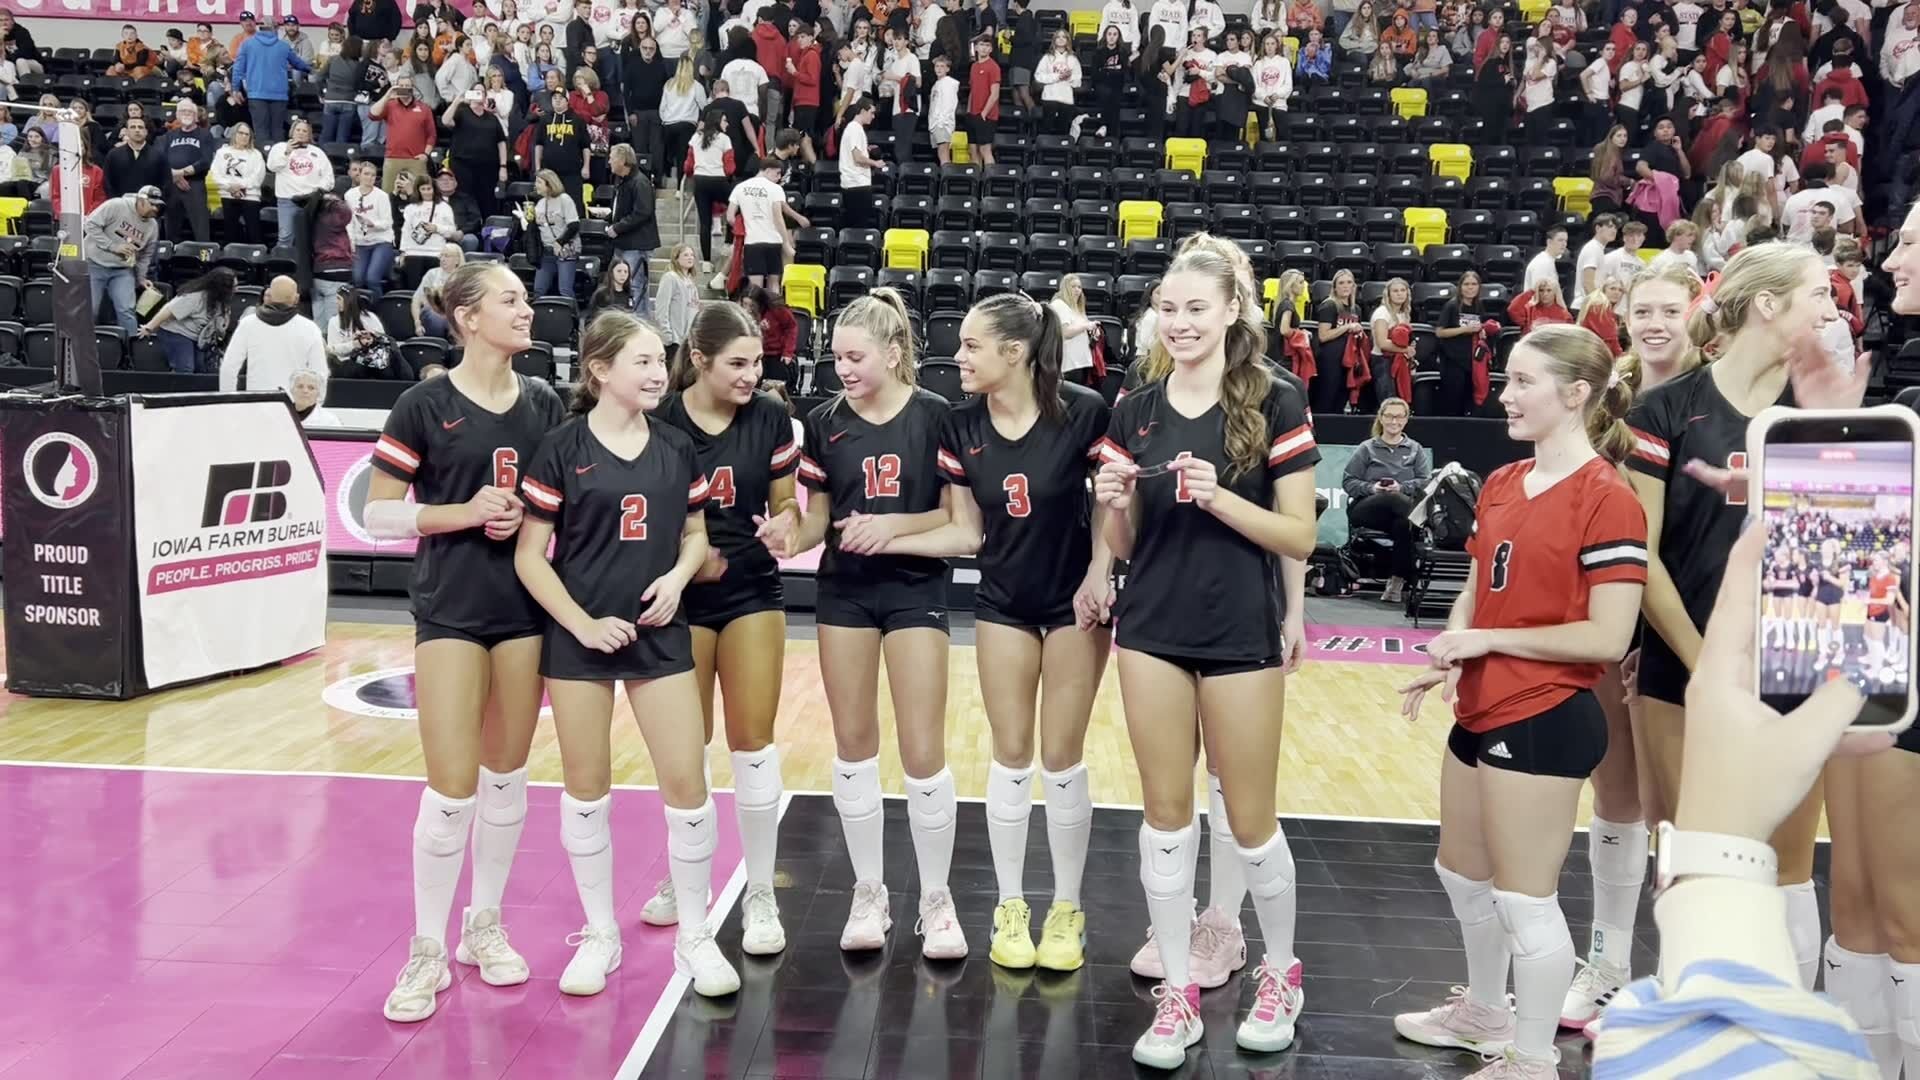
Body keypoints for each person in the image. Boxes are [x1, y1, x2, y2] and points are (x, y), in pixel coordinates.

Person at [1392, 325, 1647, 1080]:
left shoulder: (1608, 498)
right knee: (1461, 873)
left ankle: (1532, 1060)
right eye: (1508, 380)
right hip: (1481, 703)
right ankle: (1485, 1011)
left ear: (1576, 394)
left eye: (1524, 382)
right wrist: (1454, 646)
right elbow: (1477, 589)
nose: (1506, 395)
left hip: (1545, 714)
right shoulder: (1503, 481)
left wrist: (1488, 643)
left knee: (1525, 902)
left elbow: (1608, 636)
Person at [1092, 235, 1319, 1067]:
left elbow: (1299, 535)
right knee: (1164, 820)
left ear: (1231, 311)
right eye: (1168, 307)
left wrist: (1221, 498)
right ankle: (1179, 993)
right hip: (1150, 627)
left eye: (1196, 307)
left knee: (1251, 823)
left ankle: (1280, 972)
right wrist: (1113, 503)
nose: (1179, 321)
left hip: (1239, 631)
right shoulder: (1135, 407)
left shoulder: (1278, 399)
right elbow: (1124, 542)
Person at [1625, 243, 1856, 1000]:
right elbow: (1641, 555)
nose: (1833, 310)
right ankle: (1692, 1023)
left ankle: (1777, 1027)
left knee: (1785, 872)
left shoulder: (1821, 413)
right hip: (1679, 666)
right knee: (1689, 864)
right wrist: (1706, 665)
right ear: (1767, 304)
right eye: (1820, 295)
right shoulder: (1664, 409)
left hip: (1789, 668)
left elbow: (1846, 556)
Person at [510, 311, 738, 999]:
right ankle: (600, 933)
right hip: (579, 637)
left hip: (659, 632)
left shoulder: (676, 446)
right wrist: (581, 625)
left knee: (688, 785)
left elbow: (696, 535)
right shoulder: (561, 447)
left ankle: (695, 935)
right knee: (586, 788)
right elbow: (529, 556)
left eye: (659, 361)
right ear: (599, 370)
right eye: (641, 361)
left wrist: (677, 578)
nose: (656, 373)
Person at [366, 262, 565, 1023]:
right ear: (468, 318)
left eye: (526, 298)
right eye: (510, 300)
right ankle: (427, 947)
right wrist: (465, 512)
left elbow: (560, 503)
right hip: (449, 609)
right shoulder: (424, 403)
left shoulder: (543, 401)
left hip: (524, 611)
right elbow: (376, 514)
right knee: (451, 789)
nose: (527, 309)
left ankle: (484, 926)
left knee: (506, 780)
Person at [768, 288, 971, 958]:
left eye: (856, 357)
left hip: (916, 587)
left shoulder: (937, 415)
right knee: (853, 744)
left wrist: (892, 528)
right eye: (837, 357)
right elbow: (820, 521)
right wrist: (788, 538)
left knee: (922, 749)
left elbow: (956, 520)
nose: (843, 368)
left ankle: (936, 898)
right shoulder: (824, 421)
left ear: (893, 351)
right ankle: (869, 890)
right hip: (846, 593)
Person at [930, 292, 1113, 973]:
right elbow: (964, 530)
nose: (958, 356)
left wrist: (1100, 573)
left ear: (1014, 352)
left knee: (1062, 759)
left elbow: (1110, 505)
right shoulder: (959, 424)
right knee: (1010, 756)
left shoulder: (1084, 411)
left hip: (1073, 604)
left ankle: (1067, 907)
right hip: (1003, 601)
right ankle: (1010, 905)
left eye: (971, 346)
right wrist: (881, 533)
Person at [636, 301, 802, 957]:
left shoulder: (770, 417)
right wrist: (682, 562)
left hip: (752, 589)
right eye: (738, 363)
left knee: (752, 743)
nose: (752, 375)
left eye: (757, 362)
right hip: (680, 596)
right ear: (699, 360)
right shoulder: (660, 421)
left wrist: (786, 523)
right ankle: (687, 877)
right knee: (688, 748)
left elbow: (785, 501)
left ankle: (761, 892)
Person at [1342, 397, 1430, 604]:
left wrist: (1402, 487)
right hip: (1367, 507)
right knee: (1400, 505)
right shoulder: (1367, 448)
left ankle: (1396, 582)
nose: (1394, 421)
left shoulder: (1415, 449)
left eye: (1399, 417)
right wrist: (1373, 488)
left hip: (1400, 511)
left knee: (1403, 524)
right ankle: (1421, 523)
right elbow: (1349, 482)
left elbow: (1425, 482)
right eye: (1389, 416)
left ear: (1406, 419)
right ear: (1381, 418)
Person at [218, 275, 329, 394]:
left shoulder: (248, 324)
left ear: (269, 295)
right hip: (294, 402)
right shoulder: (310, 328)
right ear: (296, 298)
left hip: (257, 400)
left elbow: (228, 368)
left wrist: (228, 400)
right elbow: (320, 373)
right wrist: (316, 403)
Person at [83, 187, 162, 337]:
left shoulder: (152, 226)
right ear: (141, 201)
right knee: (90, 309)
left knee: (127, 310)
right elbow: (90, 224)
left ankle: (130, 346)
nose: (154, 208)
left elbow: (146, 255)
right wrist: (112, 246)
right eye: (151, 204)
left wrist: (141, 278)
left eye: (157, 205)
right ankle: (85, 345)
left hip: (123, 270)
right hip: (94, 264)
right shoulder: (116, 205)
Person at [137, 267, 237, 375]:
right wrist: (149, 327)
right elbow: (168, 310)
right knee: (185, 369)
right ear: (222, 288)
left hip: (198, 337)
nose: (236, 289)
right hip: (176, 332)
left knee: (201, 369)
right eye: (233, 287)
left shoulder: (222, 300)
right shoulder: (195, 297)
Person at [606, 143, 660, 316]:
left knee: (636, 285)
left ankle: (639, 322)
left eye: (612, 158)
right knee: (621, 283)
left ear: (622, 160)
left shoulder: (640, 182)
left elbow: (643, 212)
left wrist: (617, 227)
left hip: (637, 244)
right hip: (624, 242)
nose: (609, 161)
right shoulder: (623, 181)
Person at [266, 117, 334, 249]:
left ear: (309, 135)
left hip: (311, 200)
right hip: (287, 199)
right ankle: (283, 262)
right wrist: (287, 152)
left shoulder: (318, 152)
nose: (301, 133)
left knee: (310, 237)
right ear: (292, 131)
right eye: (298, 130)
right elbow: (272, 167)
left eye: (304, 131)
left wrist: (318, 191)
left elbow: (328, 177)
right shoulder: (279, 147)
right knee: (285, 237)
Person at [156, 100, 217, 243]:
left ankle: (203, 255)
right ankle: (171, 255)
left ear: (196, 116)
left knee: (201, 230)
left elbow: (205, 161)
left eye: (190, 111)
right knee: (171, 229)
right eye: (183, 111)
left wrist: (180, 173)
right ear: (177, 115)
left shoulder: (205, 135)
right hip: (172, 185)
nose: (186, 114)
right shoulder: (169, 136)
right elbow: (161, 160)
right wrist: (175, 176)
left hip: (195, 185)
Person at [728, 157, 792, 293]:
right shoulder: (775, 189)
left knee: (755, 288)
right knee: (773, 286)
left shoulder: (740, 187)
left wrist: (743, 226)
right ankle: (773, 307)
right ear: (768, 171)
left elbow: (730, 217)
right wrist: (786, 243)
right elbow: (778, 217)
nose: (779, 178)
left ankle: (754, 308)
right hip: (774, 241)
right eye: (777, 173)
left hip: (752, 242)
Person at [526, 168, 581, 299]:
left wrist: (559, 242)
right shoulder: (540, 203)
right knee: (539, 290)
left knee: (565, 290)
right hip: (546, 251)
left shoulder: (564, 199)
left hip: (566, 250)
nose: (536, 185)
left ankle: (571, 312)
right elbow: (536, 227)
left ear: (549, 184)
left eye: (539, 182)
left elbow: (574, 225)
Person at [347, 160, 397, 300]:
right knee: (357, 279)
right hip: (360, 242)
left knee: (372, 279)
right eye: (367, 174)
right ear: (360, 175)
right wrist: (351, 241)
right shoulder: (349, 195)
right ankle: (359, 308)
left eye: (373, 175)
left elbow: (387, 223)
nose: (370, 177)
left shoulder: (382, 196)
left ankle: (379, 308)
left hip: (381, 241)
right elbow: (349, 221)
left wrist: (372, 224)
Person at [212, 123, 266, 245]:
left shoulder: (256, 154)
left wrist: (240, 186)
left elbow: (258, 177)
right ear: (234, 134)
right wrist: (229, 187)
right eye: (241, 133)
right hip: (228, 195)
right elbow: (215, 174)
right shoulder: (222, 152)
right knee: (230, 233)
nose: (244, 136)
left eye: (247, 134)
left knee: (254, 233)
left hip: (250, 196)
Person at [836, 95, 885, 231]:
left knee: (855, 224)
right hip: (857, 184)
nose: (873, 117)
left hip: (853, 184)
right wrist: (875, 163)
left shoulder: (853, 129)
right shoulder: (855, 129)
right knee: (859, 225)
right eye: (871, 113)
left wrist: (866, 149)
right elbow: (857, 157)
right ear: (863, 111)